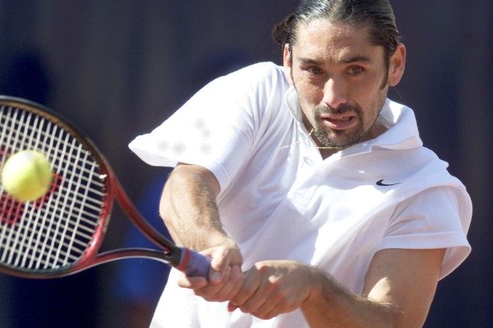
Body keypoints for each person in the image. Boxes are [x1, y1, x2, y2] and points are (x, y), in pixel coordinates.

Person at [128, 0, 472, 327]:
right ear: (289, 61)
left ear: (394, 64)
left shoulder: (427, 188)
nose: (333, 97)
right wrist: (212, 244)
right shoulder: (255, 90)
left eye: (355, 70)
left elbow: (393, 322)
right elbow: (187, 181)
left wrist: (313, 288)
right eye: (314, 70)